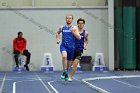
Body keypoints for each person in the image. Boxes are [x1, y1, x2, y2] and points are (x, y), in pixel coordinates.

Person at [56, 14, 81, 80]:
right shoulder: (62, 27)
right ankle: (64, 71)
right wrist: (58, 39)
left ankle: (65, 72)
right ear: (65, 19)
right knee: (64, 56)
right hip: (63, 46)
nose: (68, 19)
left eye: (70, 18)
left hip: (71, 48)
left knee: (69, 64)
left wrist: (73, 32)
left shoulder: (74, 28)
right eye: (67, 18)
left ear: (72, 20)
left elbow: (79, 37)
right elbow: (57, 33)